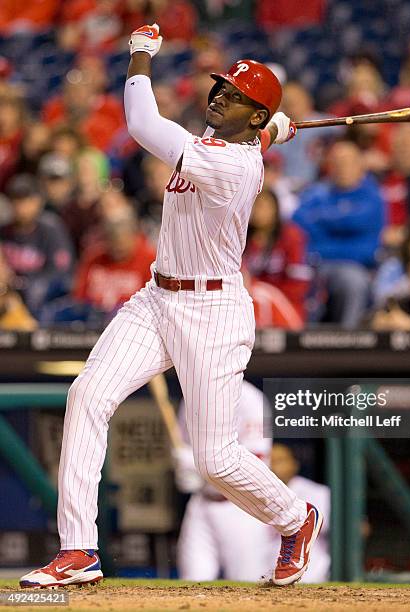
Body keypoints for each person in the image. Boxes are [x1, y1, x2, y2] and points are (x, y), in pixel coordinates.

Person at [20, 24, 322, 589]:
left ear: (253, 116)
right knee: (87, 394)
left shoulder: (231, 163)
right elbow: (234, 140)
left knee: (214, 459)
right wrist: (265, 130)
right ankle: (78, 550)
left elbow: (141, 124)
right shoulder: (240, 145)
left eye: (234, 96)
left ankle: (294, 518)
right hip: (157, 299)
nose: (218, 96)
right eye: (220, 88)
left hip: (213, 312)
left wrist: (139, 55)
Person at [175, 380, 272, 581]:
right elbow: (183, 447)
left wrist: (196, 467)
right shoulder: (191, 398)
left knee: (247, 583)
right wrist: (184, 468)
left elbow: (255, 461)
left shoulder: (250, 399)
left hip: (242, 507)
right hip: (202, 503)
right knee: (192, 582)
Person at [294, 140, 385, 328]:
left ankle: (348, 342)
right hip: (315, 264)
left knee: (353, 282)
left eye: (347, 162)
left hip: (355, 266)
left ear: (360, 165)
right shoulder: (317, 192)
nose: (341, 168)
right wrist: (343, 225)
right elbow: (298, 221)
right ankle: (300, 343)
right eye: (336, 163)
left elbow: (366, 248)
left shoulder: (373, 196)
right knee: (296, 277)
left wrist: (322, 221)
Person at [0, 174, 74, 318]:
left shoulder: (51, 229)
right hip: (10, 296)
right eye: (16, 200)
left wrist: (22, 283)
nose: (20, 206)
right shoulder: (3, 232)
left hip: (45, 301)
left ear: (38, 201)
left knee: (37, 291)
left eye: (25, 200)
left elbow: (61, 273)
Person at [243, 188, 311, 329]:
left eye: (263, 206)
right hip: (252, 300)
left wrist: (268, 291)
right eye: (254, 206)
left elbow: (300, 283)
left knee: (259, 295)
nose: (258, 211)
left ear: (275, 209)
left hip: (286, 302)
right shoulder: (241, 238)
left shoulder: (291, 236)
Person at [72, 208, 156, 317]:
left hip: (133, 319)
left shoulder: (150, 259)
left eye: (122, 241)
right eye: (113, 241)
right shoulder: (93, 258)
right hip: (91, 319)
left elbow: (153, 301)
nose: (118, 247)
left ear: (134, 237)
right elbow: (79, 297)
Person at [268, 444, 330, 583]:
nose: (273, 466)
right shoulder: (253, 495)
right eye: (269, 461)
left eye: (280, 460)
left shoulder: (318, 492)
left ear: (294, 465)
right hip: (265, 568)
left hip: (312, 573)